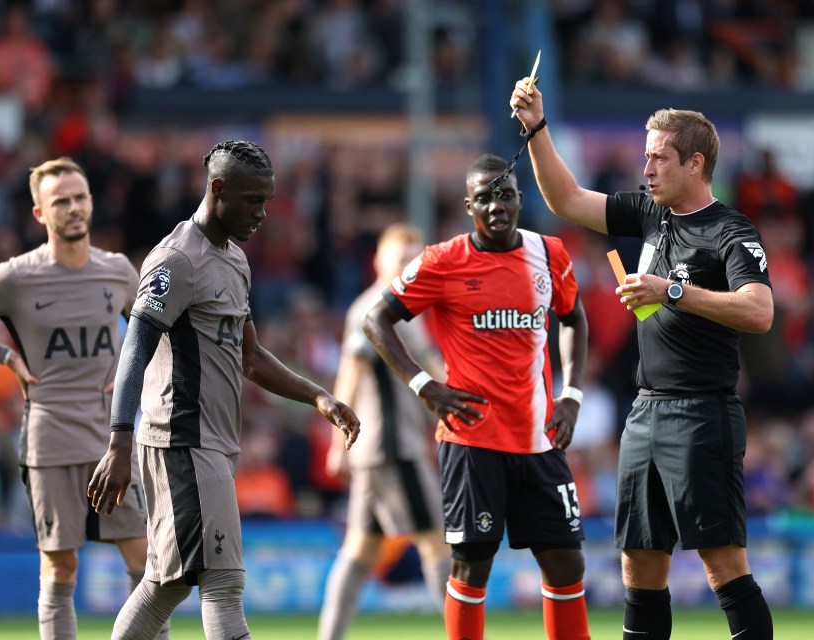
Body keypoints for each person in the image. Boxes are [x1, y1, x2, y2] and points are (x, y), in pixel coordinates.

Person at [510, 81, 775, 640]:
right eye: (645, 155)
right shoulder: (649, 215)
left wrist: (671, 292)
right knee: (639, 566)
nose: (646, 167)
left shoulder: (730, 230)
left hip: (703, 416)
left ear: (695, 162)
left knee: (721, 566)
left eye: (659, 157)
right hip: (645, 411)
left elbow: (759, 311)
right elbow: (566, 199)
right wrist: (536, 128)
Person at [86, 140, 361, 640]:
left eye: (267, 200)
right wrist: (119, 440)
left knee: (165, 585)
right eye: (253, 200)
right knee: (224, 584)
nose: (262, 214)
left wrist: (319, 396)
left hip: (212, 443)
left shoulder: (234, 259)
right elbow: (135, 348)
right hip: (180, 441)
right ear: (218, 189)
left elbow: (249, 356)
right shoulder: (176, 261)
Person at [0, 157, 169, 640]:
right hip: (50, 437)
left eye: (80, 198)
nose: (74, 208)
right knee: (60, 570)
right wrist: (5, 357)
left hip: (112, 441)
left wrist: (132, 371)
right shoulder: (15, 276)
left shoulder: (118, 271)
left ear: (92, 203)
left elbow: (154, 335)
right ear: (40, 213)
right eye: (61, 201)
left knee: (147, 564)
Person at [362, 154, 592, 640]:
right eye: (484, 197)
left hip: (540, 439)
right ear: (469, 206)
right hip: (473, 442)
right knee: (472, 566)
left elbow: (573, 317)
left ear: (520, 200)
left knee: (567, 562)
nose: (496, 205)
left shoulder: (551, 254)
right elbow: (375, 320)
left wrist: (570, 394)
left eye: (504, 194)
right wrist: (424, 386)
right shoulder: (442, 260)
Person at [318, 222, 450, 640]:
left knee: (360, 552)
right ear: (378, 260)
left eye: (415, 258)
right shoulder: (372, 308)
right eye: (400, 257)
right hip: (392, 447)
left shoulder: (410, 312)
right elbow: (350, 372)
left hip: (383, 449)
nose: (408, 265)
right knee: (437, 544)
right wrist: (340, 442)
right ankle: (464, 633)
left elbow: (434, 373)